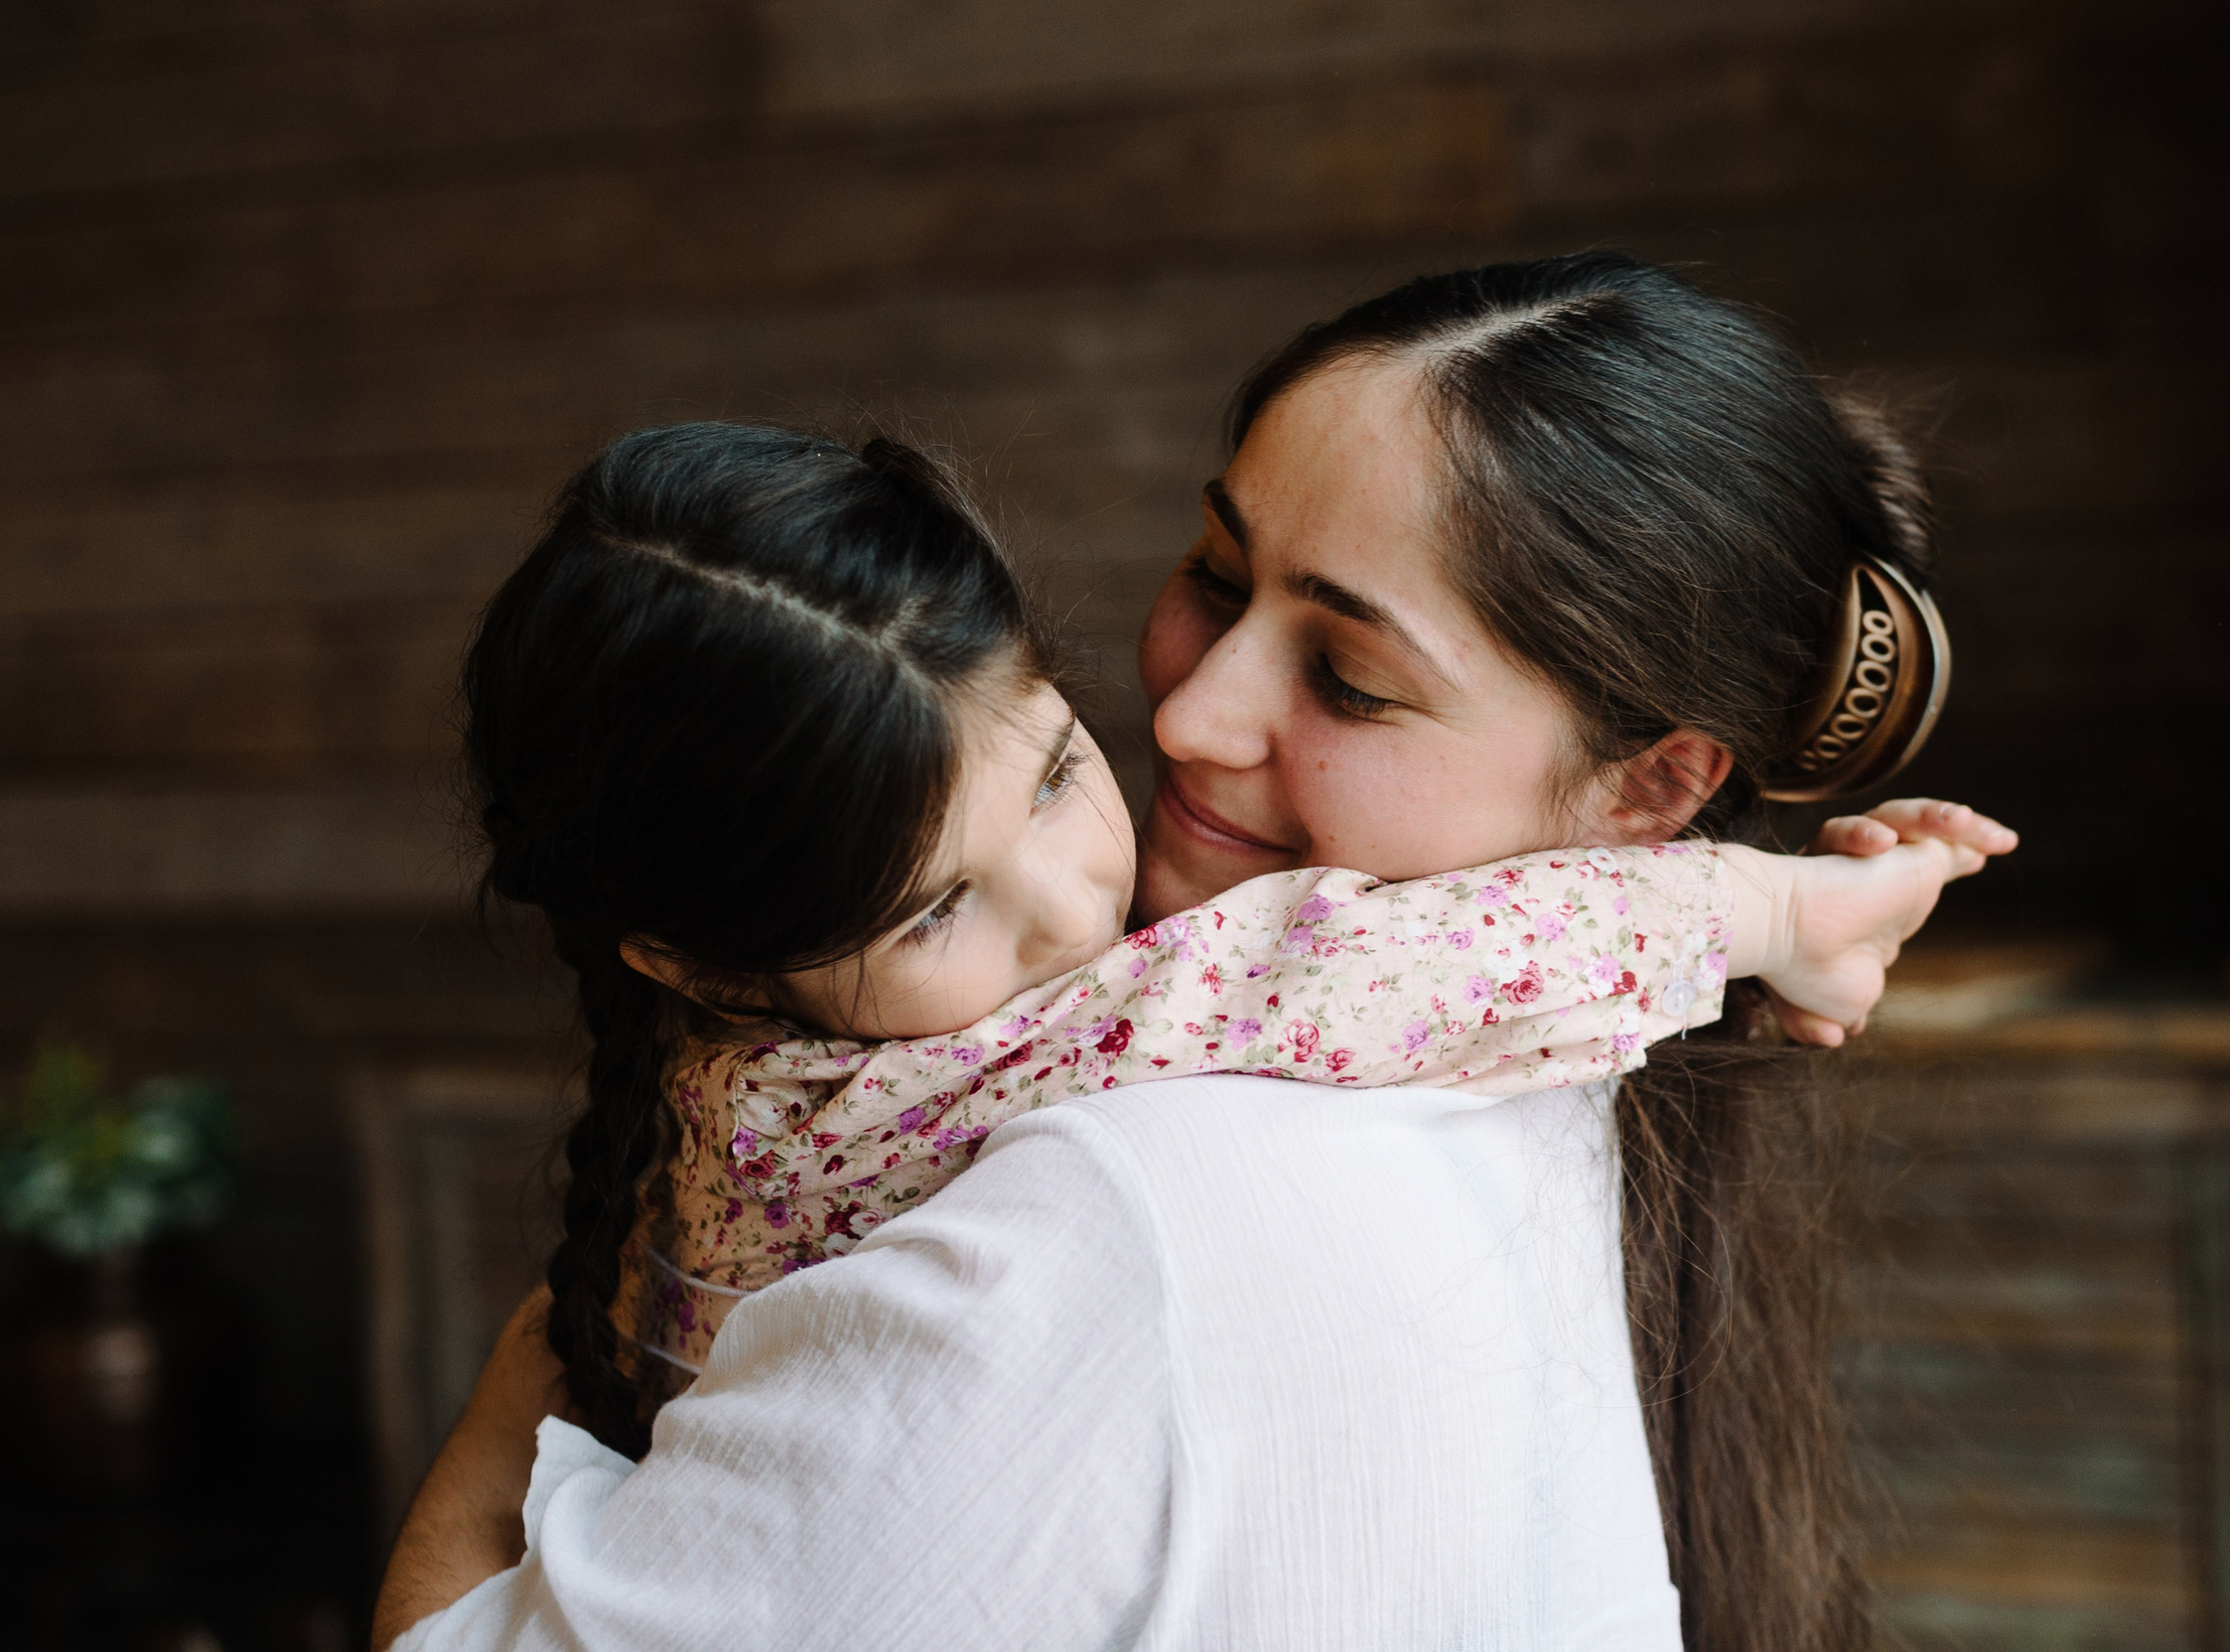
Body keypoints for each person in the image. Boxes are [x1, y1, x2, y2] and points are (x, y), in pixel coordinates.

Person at [378, 252, 2017, 1651]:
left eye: (1353, 679)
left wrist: (517, 1389)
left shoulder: (1118, 1208)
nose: (1185, 711)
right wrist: (1775, 920)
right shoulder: (1552, 1069)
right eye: (1215, 573)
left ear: (1657, 784)